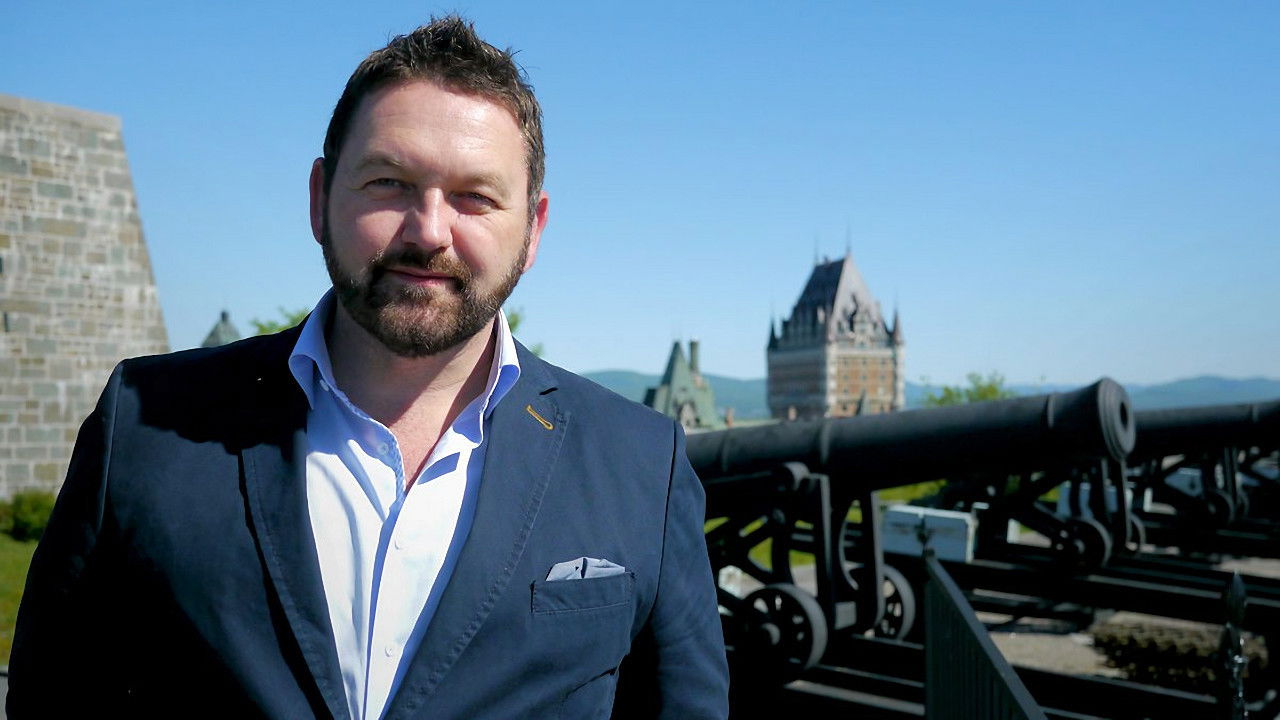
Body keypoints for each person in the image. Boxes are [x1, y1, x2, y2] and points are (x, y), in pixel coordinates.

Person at [8, 16, 729, 720]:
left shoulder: (642, 464)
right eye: (388, 182)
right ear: (320, 199)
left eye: (476, 197)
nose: (429, 231)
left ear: (533, 230)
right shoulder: (144, 424)